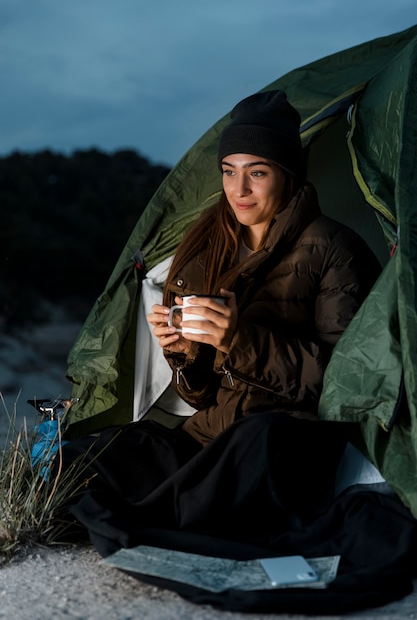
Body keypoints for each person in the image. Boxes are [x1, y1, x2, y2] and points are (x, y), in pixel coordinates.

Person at [57, 90, 382, 552]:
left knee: (255, 440)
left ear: (287, 175)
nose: (239, 190)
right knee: (95, 457)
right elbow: (201, 394)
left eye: (258, 173)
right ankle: (154, 511)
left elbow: (347, 384)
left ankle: (153, 518)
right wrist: (184, 356)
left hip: (286, 441)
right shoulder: (210, 248)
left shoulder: (336, 250)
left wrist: (239, 339)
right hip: (211, 434)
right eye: (229, 171)